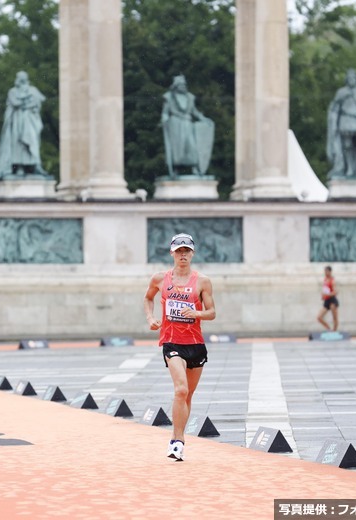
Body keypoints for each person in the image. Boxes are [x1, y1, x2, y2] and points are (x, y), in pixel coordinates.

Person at [143, 233, 216, 461]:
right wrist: (150, 318)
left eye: (186, 251)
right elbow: (148, 298)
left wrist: (197, 313)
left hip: (195, 343)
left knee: (189, 395)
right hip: (172, 341)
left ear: (192, 253)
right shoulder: (160, 279)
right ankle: (176, 441)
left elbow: (212, 313)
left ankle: (179, 435)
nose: (182, 255)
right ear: (172, 253)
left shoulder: (202, 281)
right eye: (178, 251)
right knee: (180, 390)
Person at [0, 71, 48, 180]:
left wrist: (28, 102)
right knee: (17, 144)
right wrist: (28, 100)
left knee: (32, 142)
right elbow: (15, 103)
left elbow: (39, 101)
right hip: (17, 122)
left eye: (24, 78)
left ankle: (35, 165)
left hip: (29, 121)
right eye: (20, 78)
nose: (22, 80)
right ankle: (19, 168)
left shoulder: (32, 90)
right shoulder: (13, 91)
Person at [161, 74, 214, 177]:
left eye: (184, 85)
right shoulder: (169, 97)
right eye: (181, 85)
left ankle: (195, 167)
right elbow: (165, 112)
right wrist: (164, 119)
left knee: (191, 146)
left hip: (187, 124)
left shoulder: (189, 97)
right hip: (175, 124)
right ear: (176, 86)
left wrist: (204, 119)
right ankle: (175, 169)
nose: (183, 87)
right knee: (177, 148)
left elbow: (194, 112)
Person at [317, 266, 339, 331]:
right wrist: (323, 296)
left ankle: (335, 331)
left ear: (330, 272)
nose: (326, 273)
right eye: (325, 271)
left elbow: (335, 292)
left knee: (334, 317)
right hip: (326, 300)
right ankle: (328, 328)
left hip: (332, 300)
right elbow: (325, 290)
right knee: (319, 317)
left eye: (327, 271)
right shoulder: (325, 280)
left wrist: (327, 294)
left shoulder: (332, 281)